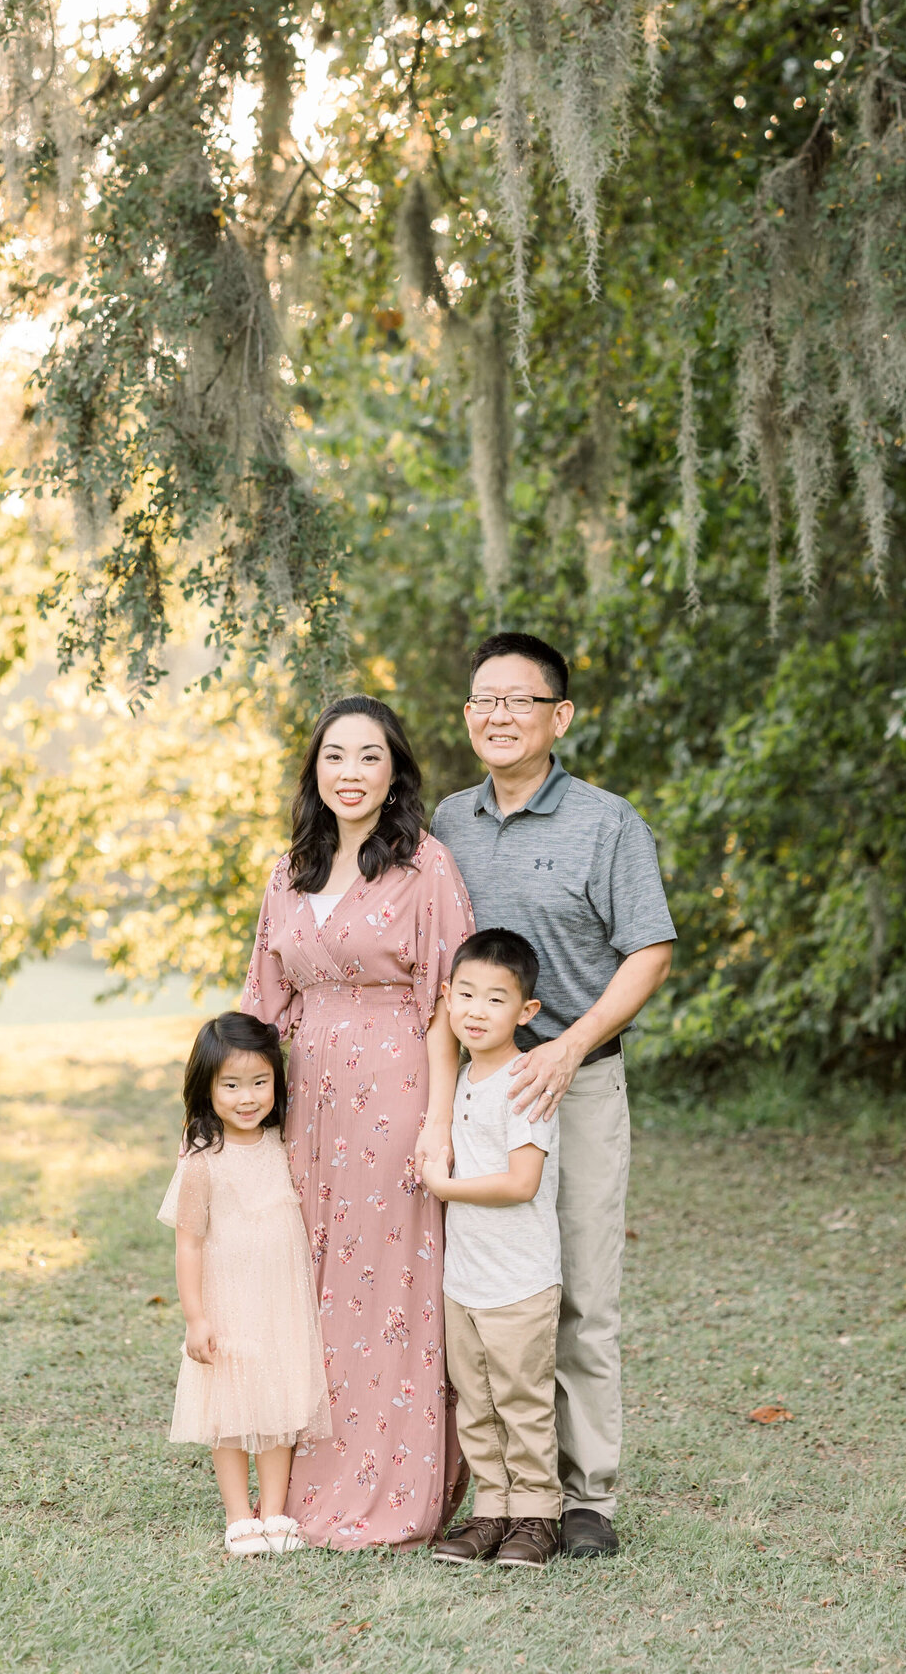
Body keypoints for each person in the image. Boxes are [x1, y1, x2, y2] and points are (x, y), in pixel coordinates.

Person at [430, 632, 677, 1559]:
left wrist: (570, 1047)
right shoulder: (446, 824)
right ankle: (496, 1491)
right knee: (474, 1295)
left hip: (575, 1082)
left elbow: (648, 947)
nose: (497, 715)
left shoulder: (608, 823)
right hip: (472, 1094)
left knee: (577, 1291)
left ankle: (586, 1500)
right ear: (467, 717)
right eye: (482, 700)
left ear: (558, 716)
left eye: (519, 700)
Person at [241, 695, 474, 1549]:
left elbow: (449, 1001)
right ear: (315, 771)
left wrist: (439, 1119)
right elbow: (263, 1000)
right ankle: (293, 1489)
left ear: (395, 771)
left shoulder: (426, 865)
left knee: (384, 1292)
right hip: (303, 1104)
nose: (350, 773)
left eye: (369, 757)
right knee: (304, 1283)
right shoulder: (288, 870)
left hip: (395, 1091)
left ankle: (388, 1492)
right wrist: (237, 1120)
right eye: (334, 757)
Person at [157, 1012, 330, 1558]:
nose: (247, 1097)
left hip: (281, 1301)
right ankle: (239, 1516)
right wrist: (195, 1316)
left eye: (259, 1082)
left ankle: (275, 1511)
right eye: (230, 1085)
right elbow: (188, 1241)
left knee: (279, 1407)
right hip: (228, 1301)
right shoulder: (203, 1160)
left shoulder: (287, 1143)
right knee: (229, 1411)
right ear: (207, 1088)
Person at [422, 928, 563, 1569]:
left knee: (522, 1402)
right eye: (467, 996)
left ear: (526, 1011)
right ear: (448, 996)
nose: (477, 1012)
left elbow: (521, 1182)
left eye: (497, 1000)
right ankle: (493, 1512)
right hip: (465, 1280)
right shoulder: (461, 1078)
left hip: (520, 1279)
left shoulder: (525, 1082)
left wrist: (445, 1186)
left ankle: (537, 1516)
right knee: (475, 1405)